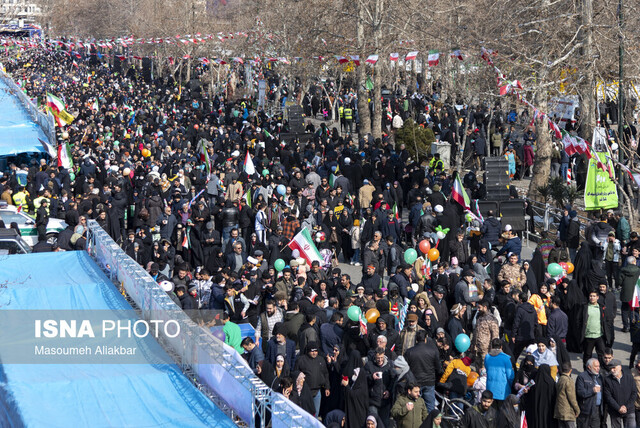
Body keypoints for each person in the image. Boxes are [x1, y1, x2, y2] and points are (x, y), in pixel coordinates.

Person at [404, 330, 442, 412]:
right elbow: (438, 368)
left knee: (415, 408)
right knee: (430, 408)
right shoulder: (433, 351)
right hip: (429, 382)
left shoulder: (409, 352)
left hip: (415, 382)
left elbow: (405, 369)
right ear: (425, 339)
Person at [603, 359, 638, 428]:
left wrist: (626, 406)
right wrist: (618, 408)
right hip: (615, 411)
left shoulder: (629, 377)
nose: (612, 370)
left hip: (629, 410)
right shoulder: (607, 380)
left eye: (614, 368)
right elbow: (608, 397)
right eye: (611, 368)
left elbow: (634, 393)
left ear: (620, 367)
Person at [581, 290, 609, 370]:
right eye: (590, 296)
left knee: (601, 354)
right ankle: (586, 370)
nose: (592, 298)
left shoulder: (601, 307)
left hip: (599, 335)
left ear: (597, 297)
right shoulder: (585, 307)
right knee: (587, 355)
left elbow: (605, 320)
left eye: (594, 296)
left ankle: (602, 370)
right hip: (588, 336)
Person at [484, 338, 515, 403]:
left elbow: (486, 369)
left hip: (490, 388)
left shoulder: (487, 357)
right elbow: (510, 376)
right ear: (501, 347)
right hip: (502, 391)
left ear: (492, 346)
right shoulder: (506, 358)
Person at [576, 358, 604, 428]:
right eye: (596, 366)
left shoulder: (600, 377)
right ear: (589, 367)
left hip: (597, 410)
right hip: (585, 410)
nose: (598, 368)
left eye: (599, 366)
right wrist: (592, 391)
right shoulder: (582, 377)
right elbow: (580, 392)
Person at [555, 362, 580, 428]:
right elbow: (572, 398)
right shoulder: (568, 381)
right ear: (570, 370)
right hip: (567, 412)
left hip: (559, 411)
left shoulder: (560, 379)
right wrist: (577, 409)